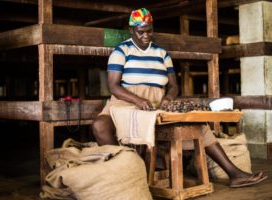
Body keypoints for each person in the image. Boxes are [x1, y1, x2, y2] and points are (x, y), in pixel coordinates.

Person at [92, 8, 267, 188]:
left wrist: (168, 98)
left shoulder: (162, 53)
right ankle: (127, 173)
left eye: (149, 30)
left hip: (155, 104)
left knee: (198, 126)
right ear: (131, 30)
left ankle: (234, 173)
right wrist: (138, 101)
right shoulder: (121, 51)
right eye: (141, 31)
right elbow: (113, 86)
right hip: (126, 102)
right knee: (100, 125)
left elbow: (173, 85)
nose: (146, 35)